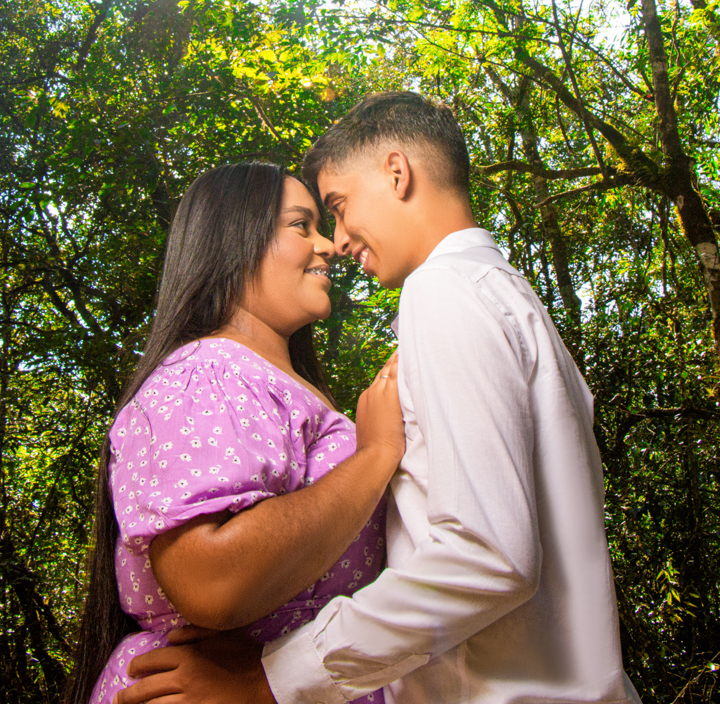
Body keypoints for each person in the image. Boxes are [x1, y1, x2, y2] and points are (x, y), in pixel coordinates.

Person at [115, 92, 641, 704]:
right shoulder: (509, 301)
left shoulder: (443, 290)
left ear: (397, 172)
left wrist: (275, 677)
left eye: (335, 210)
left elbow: (488, 554)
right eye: (308, 223)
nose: (335, 242)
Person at [64, 161, 404, 704]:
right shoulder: (209, 372)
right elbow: (212, 582)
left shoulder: (264, 383)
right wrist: (377, 454)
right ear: (235, 241)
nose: (329, 246)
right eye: (302, 225)